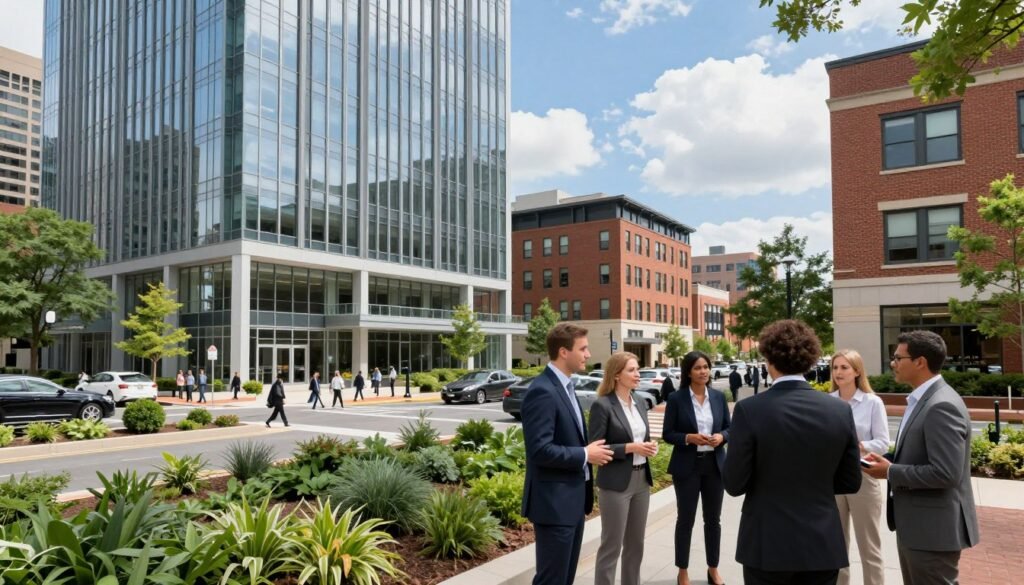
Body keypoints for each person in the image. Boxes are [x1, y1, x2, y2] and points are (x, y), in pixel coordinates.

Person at [723, 320, 862, 585]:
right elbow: (850, 481)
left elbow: (733, 483)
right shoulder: (840, 410)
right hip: (822, 544)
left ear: (769, 359)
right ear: (808, 361)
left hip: (767, 545)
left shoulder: (749, 410)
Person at [862, 331, 979, 584]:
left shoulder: (941, 405)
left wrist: (890, 472)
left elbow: (946, 473)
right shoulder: (921, 399)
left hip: (932, 533)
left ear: (920, 362)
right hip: (918, 529)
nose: (893, 363)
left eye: (897, 357)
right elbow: (917, 453)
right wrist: (884, 459)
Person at [521, 323, 614, 585]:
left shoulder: (566, 386)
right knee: (552, 580)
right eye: (582, 348)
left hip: (571, 503)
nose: (588, 354)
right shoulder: (543, 390)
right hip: (553, 505)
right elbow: (540, 450)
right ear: (563, 352)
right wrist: (585, 454)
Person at [589, 351, 657, 585]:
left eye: (637, 369)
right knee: (612, 545)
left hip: (641, 482)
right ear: (616, 375)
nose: (637, 374)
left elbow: (640, 437)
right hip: (615, 484)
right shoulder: (602, 405)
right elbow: (596, 449)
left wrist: (647, 447)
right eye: (631, 370)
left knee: (636, 545)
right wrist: (630, 447)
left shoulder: (639, 401)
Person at [663, 351, 731, 585]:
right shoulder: (676, 398)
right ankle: (682, 570)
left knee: (713, 520)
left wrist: (721, 437)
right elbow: (668, 434)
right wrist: (688, 438)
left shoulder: (719, 397)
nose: (703, 371)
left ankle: (713, 569)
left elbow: (729, 429)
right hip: (687, 468)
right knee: (686, 520)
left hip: (714, 467)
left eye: (706, 367)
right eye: (697, 368)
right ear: (688, 372)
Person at [830, 350, 890, 585]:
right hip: (833, 480)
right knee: (836, 548)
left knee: (869, 548)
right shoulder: (828, 402)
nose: (838, 372)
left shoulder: (872, 402)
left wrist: (858, 445)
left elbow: (883, 442)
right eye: (835, 367)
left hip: (863, 478)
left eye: (844, 367)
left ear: (857, 371)